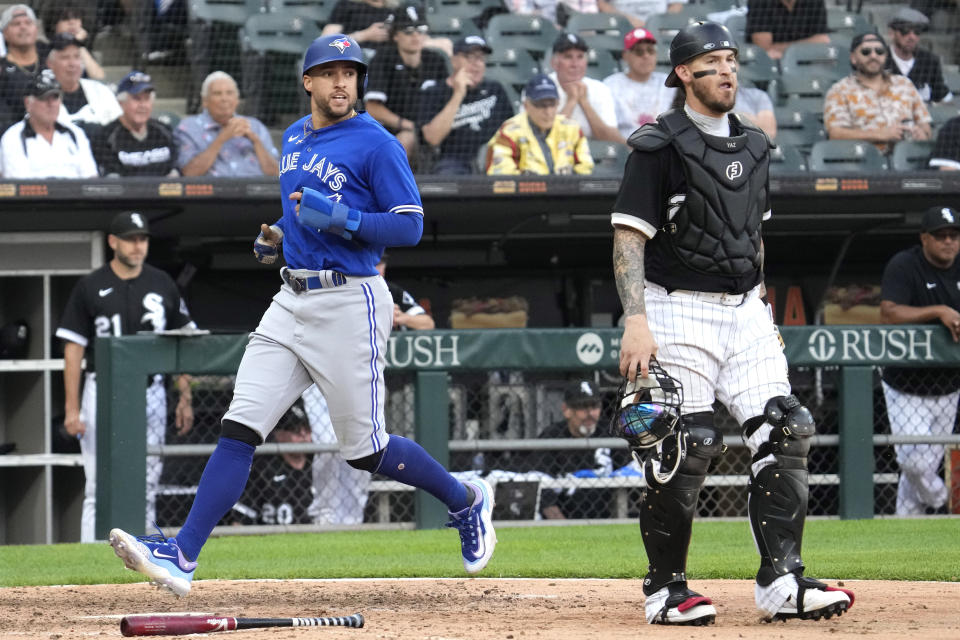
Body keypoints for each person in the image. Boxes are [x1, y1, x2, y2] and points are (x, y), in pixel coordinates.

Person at [108, 34, 496, 598]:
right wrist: (278, 237)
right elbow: (297, 214)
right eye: (330, 72)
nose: (342, 82)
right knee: (240, 426)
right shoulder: (291, 137)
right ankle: (184, 556)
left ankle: (466, 500)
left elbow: (409, 224)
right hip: (291, 299)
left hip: (350, 299)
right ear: (308, 82)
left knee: (365, 451)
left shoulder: (376, 144)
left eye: (351, 73)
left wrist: (340, 217)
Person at [611, 21, 853, 625]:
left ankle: (783, 581)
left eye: (731, 59)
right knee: (685, 445)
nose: (726, 70)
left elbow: (751, 236)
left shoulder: (755, 145)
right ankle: (666, 590)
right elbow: (627, 238)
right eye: (710, 61)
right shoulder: (657, 145)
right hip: (675, 307)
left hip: (745, 310)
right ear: (682, 74)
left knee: (786, 428)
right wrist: (634, 319)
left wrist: (763, 307)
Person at [56, 211, 196, 543]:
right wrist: (72, 409)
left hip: (152, 392)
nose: (137, 246)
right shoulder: (91, 284)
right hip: (102, 390)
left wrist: (185, 396)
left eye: (142, 238)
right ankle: (90, 556)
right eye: (131, 238)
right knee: (97, 484)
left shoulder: (161, 282)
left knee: (147, 483)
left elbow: (185, 339)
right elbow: (73, 350)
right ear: (113, 242)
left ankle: (142, 552)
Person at [879, 205, 960, 516]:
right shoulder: (906, 264)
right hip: (905, 384)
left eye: (954, 235)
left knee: (924, 465)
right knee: (913, 462)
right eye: (941, 236)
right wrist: (938, 311)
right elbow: (889, 313)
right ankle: (941, 499)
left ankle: (907, 522)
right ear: (925, 238)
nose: (949, 241)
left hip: (948, 385)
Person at [364, 3, 448, 161]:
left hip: (433, 129)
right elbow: (373, 108)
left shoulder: (436, 60)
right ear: (395, 35)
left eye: (421, 30)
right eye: (408, 31)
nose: (415, 36)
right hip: (392, 131)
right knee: (404, 141)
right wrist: (410, 126)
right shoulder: (382, 59)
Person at [824, 32, 931, 154]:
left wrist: (922, 134)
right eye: (866, 52)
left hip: (906, 156)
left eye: (879, 51)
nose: (873, 56)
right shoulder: (840, 90)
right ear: (853, 58)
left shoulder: (904, 84)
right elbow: (836, 134)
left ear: (885, 56)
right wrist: (881, 135)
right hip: (863, 161)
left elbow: (925, 124)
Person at [420, 35, 513, 175]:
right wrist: (458, 94)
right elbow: (432, 138)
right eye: (470, 57)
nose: (477, 64)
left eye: (481, 58)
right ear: (454, 61)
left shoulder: (495, 89)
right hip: (453, 162)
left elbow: (512, 129)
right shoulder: (435, 91)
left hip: (494, 157)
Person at [485, 73, 594, 175]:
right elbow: (502, 177)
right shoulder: (509, 132)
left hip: (568, 193)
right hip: (525, 194)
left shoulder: (572, 129)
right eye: (541, 105)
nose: (548, 111)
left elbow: (585, 169)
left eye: (552, 104)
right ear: (526, 106)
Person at [175, 71, 279, 177]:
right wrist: (223, 137)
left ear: (237, 99)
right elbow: (189, 173)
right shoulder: (189, 127)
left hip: (256, 190)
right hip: (214, 191)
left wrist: (255, 141)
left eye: (229, 93)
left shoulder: (255, 126)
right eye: (217, 93)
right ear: (205, 101)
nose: (224, 99)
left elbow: (276, 173)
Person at [534, 380, 613, 520]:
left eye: (594, 406)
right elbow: (542, 489)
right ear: (566, 410)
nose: (590, 413)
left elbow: (629, 473)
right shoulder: (551, 437)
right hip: (562, 517)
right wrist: (564, 528)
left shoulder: (609, 433)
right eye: (582, 407)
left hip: (607, 515)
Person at [229, 401, 315, 526]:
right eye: (295, 430)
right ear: (279, 434)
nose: (303, 434)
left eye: (307, 429)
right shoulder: (263, 469)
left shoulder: (318, 465)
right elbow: (239, 523)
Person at [0, 70, 98, 179]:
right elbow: (20, 187)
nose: (51, 104)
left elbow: (90, 179)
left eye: (55, 97)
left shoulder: (76, 133)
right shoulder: (13, 137)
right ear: (28, 103)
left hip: (76, 196)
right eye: (44, 98)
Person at [91, 71, 179, 177]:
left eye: (147, 99)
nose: (143, 105)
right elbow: (113, 182)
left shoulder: (164, 131)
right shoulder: (105, 137)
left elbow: (175, 171)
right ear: (121, 103)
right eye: (136, 99)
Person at [548, 32, 622, 144]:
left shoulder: (600, 89)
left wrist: (584, 103)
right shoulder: (541, 87)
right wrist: (571, 101)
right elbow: (544, 139)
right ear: (554, 63)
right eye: (568, 57)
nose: (575, 64)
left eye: (580, 57)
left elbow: (614, 141)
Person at [602, 27, 675, 140]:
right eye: (639, 52)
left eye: (650, 50)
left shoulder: (669, 83)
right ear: (625, 56)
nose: (646, 56)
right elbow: (606, 128)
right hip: (625, 149)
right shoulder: (610, 85)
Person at [46, 32, 122, 134]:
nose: (72, 64)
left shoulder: (100, 91)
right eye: (65, 57)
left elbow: (119, 130)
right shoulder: (41, 98)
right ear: (50, 63)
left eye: (77, 57)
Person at [885, 7, 953, 105]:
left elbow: (943, 98)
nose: (912, 37)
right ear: (891, 33)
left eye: (917, 32)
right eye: (905, 31)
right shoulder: (880, 58)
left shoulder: (929, 61)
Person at [0, 4, 50, 130]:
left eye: (28, 22)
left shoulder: (51, 55)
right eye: (16, 24)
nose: (23, 27)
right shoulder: (2, 67)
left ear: (36, 29)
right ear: (4, 33)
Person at [745, 0, 830, 60]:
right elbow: (763, 48)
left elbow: (822, 40)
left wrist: (781, 49)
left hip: (808, 64)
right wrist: (807, 45)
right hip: (772, 66)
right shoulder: (759, 1)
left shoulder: (815, 1)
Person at [45, 4, 105, 81]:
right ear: (54, 24)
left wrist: (78, 44)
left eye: (76, 17)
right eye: (65, 18)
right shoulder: (45, 49)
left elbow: (99, 77)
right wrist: (76, 41)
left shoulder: (82, 48)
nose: (72, 22)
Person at [597, 0, 687, 29]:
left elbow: (677, 5)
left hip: (661, 29)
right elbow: (601, 3)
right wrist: (628, 21)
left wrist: (656, 23)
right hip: (621, 28)